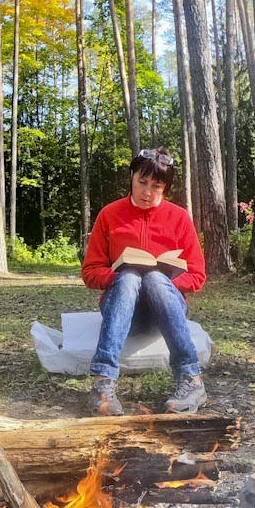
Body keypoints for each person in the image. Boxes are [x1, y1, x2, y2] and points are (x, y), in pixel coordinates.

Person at [81, 148, 207, 416]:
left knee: (153, 277)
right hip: (122, 310)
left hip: (163, 313)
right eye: (142, 182)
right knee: (130, 278)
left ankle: (191, 380)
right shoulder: (110, 214)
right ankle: (102, 383)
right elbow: (90, 272)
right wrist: (120, 275)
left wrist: (162, 278)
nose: (147, 192)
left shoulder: (179, 217)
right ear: (132, 176)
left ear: (166, 188)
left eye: (156, 186)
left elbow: (197, 276)